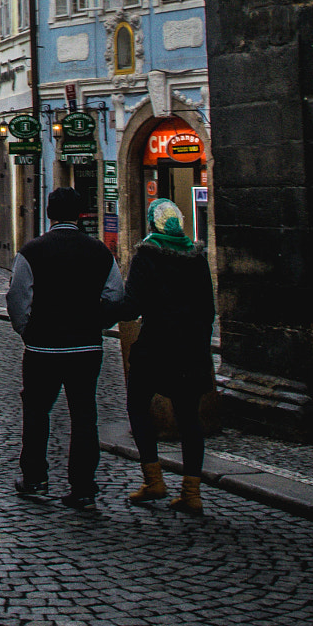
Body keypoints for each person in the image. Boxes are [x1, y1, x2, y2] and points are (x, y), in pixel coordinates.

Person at [6, 186, 125, 510]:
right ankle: (83, 486)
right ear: (80, 214)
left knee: (36, 413)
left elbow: (17, 298)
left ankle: (35, 479)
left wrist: (26, 332)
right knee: (84, 416)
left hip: (43, 349)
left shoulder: (32, 251)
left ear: (49, 214)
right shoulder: (100, 252)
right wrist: (96, 323)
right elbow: (116, 295)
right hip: (86, 348)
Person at [118, 198, 217, 515]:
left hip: (156, 347)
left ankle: (154, 479)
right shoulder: (195, 255)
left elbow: (132, 306)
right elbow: (209, 310)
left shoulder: (147, 255)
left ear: (151, 225)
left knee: (137, 405)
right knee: (189, 418)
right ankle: (192, 492)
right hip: (192, 349)